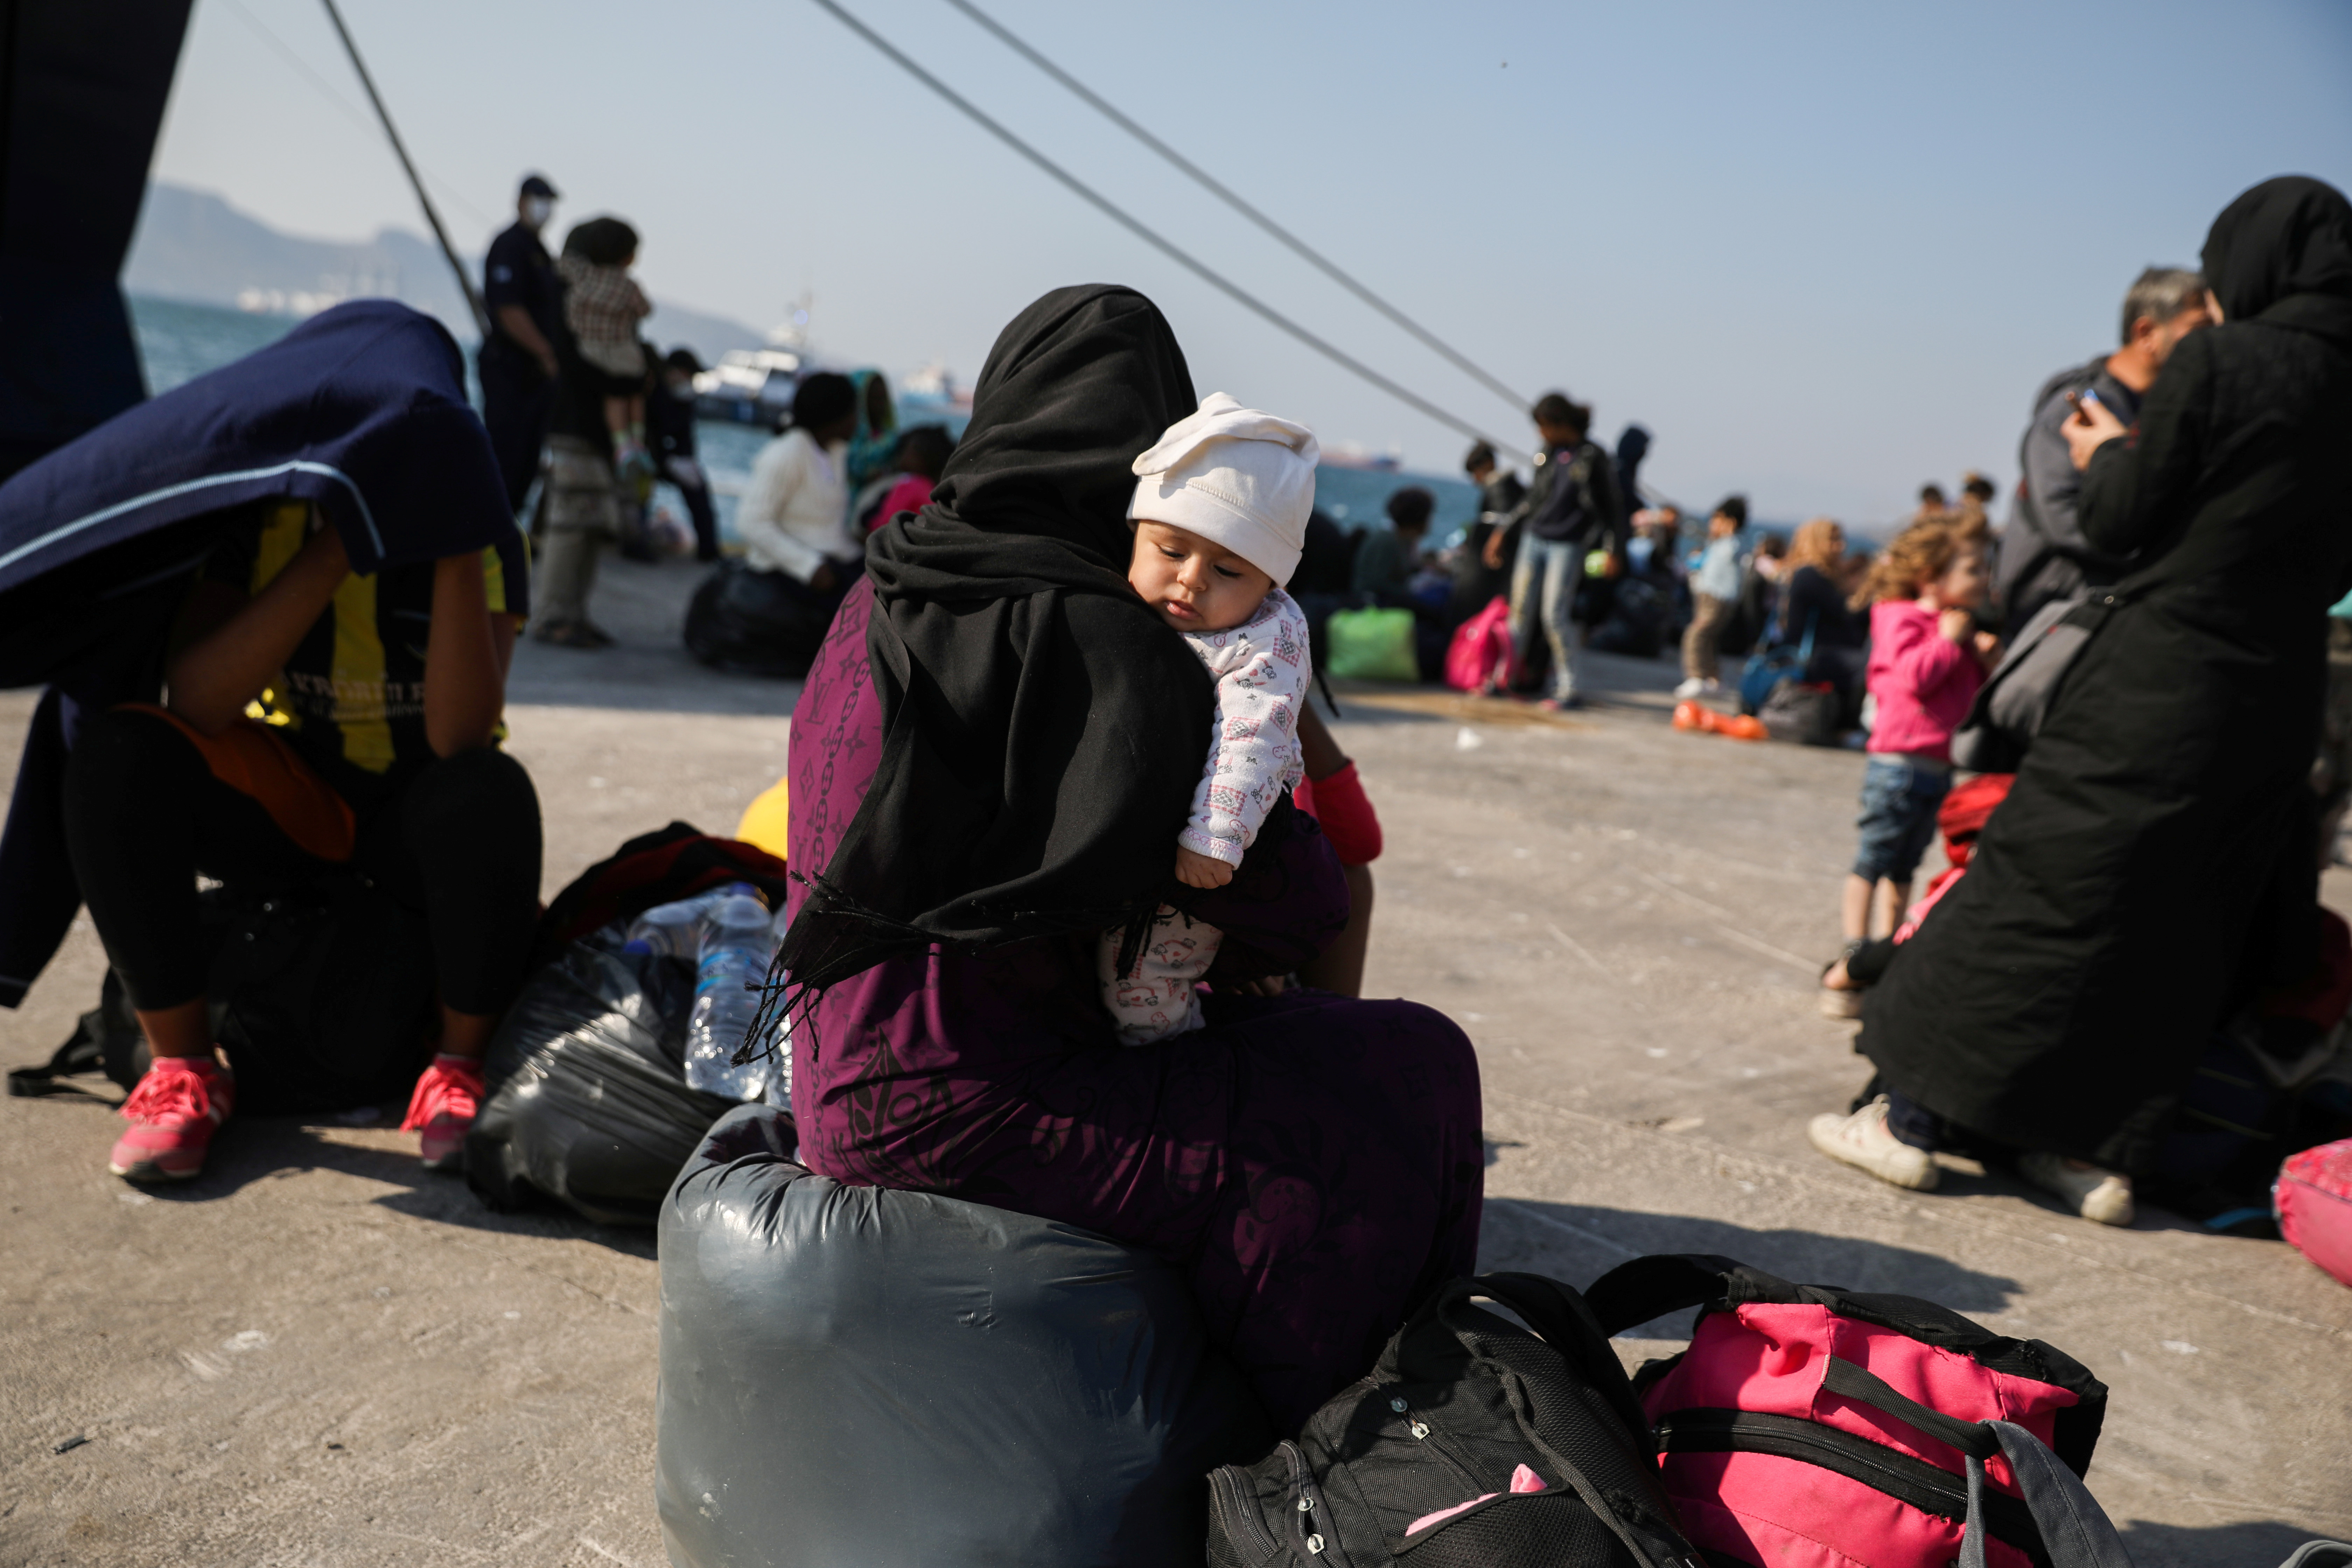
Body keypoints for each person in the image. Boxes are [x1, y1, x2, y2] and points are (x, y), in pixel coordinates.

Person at [773, 284, 1482, 1432]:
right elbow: (1299, 898)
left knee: (1343, 1061)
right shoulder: (1102, 644)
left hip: (837, 1069)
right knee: (1403, 1071)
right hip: (966, 1105)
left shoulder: (887, 584)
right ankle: (1331, 1438)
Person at [1810, 177, 2352, 1226]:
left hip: (2160, 673)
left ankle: (1908, 1118)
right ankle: (2082, 1149)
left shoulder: (2217, 359)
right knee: (2179, 918)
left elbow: (2116, 522)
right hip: (2280, 693)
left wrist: (2107, 453)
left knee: (2039, 884)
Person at [72, 507, 541, 1182]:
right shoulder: (257, 519)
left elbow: (461, 736)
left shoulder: (488, 530)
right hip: (294, 799)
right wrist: (334, 547)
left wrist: (451, 538)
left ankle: (458, 1070)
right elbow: (198, 702)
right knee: (120, 753)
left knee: (489, 786)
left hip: (421, 814)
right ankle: (185, 1071)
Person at [1098, 393, 1316, 1045]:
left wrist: (1216, 836)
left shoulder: (1265, 638)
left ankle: (1171, 1052)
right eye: (1170, 550)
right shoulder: (1124, 600)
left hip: (1203, 858)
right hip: (1145, 842)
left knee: (1143, 983)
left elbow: (1256, 733)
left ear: (1270, 584)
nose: (1191, 581)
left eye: (1227, 570)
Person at [1821, 517, 1996, 1017]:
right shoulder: (1901, 617)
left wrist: (1988, 658)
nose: (1984, 578)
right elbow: (1917, 678)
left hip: (1939, 768)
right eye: (1972, 568)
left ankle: (1883, 949)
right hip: (1897, 764)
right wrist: (1947, 640)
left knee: (1905, 866)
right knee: (1874, 858)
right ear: (1930, 575)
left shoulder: (1961, 627)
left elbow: (1975, 701)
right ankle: (1856, 946)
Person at [1994, 266, 2210, 629]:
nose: (2211, 345)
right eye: (2199, 331)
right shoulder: (2079, 406)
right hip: (2060, 609)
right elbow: (2061, 513)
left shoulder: (2167, 409)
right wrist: (2162, 552)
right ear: (2146, 333)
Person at [1493, 393, 1624, 709]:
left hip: (1568, 543)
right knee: (1519, 612)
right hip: (1534, 537)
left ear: (1559, 423)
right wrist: (1503, 531)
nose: (1541, 433)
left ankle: (1569, 687)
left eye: (1544, 426)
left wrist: (1613, 550)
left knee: (1554, 614)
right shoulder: (1548, 454)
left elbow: (1612, 508)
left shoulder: (1593, 456)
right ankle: (1503, 678)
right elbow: (1533, 499)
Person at [735, 372, 861, 612]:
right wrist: (809, 566)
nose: (857, 421)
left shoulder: (834, 453)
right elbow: (751, 522)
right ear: (835, 416)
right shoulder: (787, 453)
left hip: (832, 560)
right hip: (788, 569)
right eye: (854, 412)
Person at [478, 174, 562, 513]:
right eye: (538, 200)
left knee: (526, 462)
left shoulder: (540, 250)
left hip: (535, 377)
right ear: (521, 201)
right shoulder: (510, 245)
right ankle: (485, 534)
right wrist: (545, 352)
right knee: (505, 456)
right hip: (511, 368)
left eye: (549, 202)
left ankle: (507, 534)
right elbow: (508, 309)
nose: (544, 209)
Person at [554, 217, 654, 481]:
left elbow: (563, 266)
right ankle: (638, 442)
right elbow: (645, 309)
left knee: (614, 398)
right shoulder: (627, 286)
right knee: (632, 394)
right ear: (628, 257)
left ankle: (622, 445)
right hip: (623, 355)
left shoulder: (581, 277)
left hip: (590, 353)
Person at [1776, 518, 1869, 720]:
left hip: (1826, 652)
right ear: (1815, 542)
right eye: (1833, 540)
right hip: (1814, 655)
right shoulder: (1810, 575)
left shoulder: (1825, 576)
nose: (1841, 546)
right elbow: (1845, 612)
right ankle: (1849, 724)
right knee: (1867, 665)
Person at [650, 348, 721, 562]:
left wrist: (685, 462)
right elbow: (648, 433)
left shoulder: (685, 399)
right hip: (649, 457)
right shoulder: (653, 393)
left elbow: (686, 438)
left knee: (698, 488)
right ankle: (633, 540)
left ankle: (709, 550)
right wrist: (664, 459)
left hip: (674, 459)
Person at [1444, 441, 1524, 628]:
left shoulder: (1499, 489)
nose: (1475, 479)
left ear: (1487, 464)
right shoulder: (1512, 488)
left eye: (1475, 472)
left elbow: (1500, 525)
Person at [1676, 495, 1747, 698]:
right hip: (1709, 597)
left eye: (1716, 520)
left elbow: (1732, 553)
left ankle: (1696, 677)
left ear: (1730, 523)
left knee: (1696, 634)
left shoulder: (1732, 544)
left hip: (1718, 599)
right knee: (1709, 639)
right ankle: (1713, 679)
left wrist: (1723, 534)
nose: (1711, 524)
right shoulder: (1717, 545)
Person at [862, 424, 954, 534]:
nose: (903, 455)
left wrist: (868, 523)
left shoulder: (910, 484)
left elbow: (885, 523)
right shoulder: (931, 487)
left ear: (923, 459)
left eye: (908, 450)